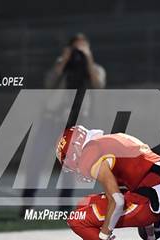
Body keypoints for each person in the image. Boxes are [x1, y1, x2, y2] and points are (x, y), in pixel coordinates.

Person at [21, 33, 106, 215]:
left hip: (76, 121)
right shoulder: (61, 66)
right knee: (36, 161)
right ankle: (26, 203)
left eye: (82, 48)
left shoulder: (94, 68)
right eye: (75, 48)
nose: (78, 53)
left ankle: (65, 206)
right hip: (51, 120)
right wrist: (64, 60)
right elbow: (49, 82)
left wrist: (88, 59)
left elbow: (98, 85)